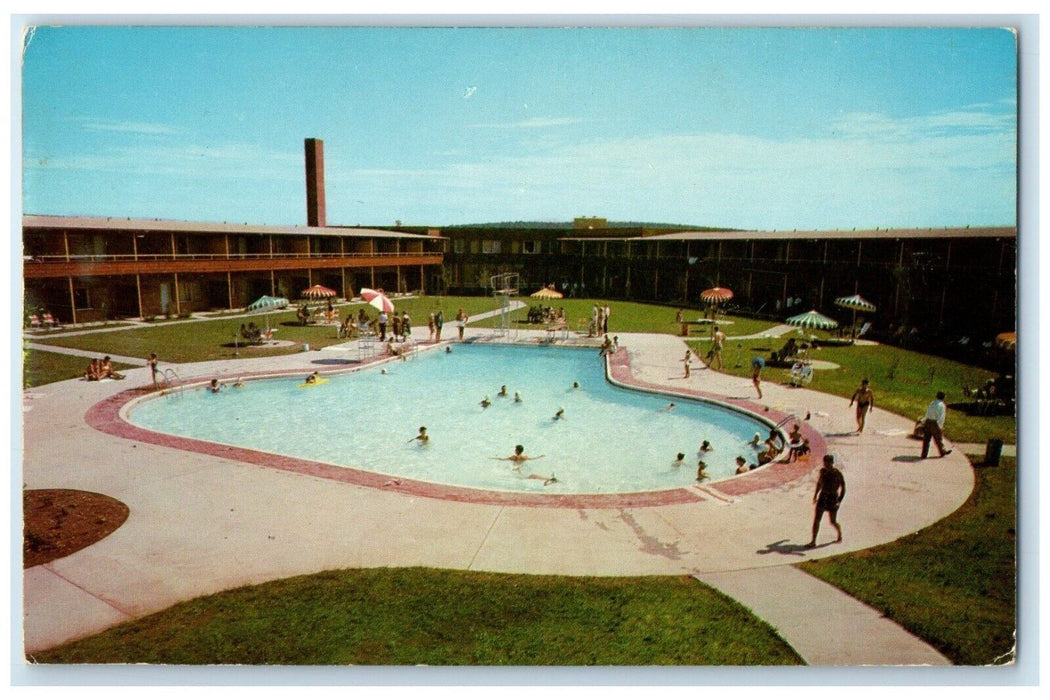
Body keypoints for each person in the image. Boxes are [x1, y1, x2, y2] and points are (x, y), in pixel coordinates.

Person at [807, 454, 846, 547]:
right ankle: (813, 541)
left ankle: (839, 534)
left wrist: (839, 500)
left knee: (833, 521)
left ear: (832, 463)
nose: (826, 464)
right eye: (825, 462)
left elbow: (843, 487)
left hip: (833, 498)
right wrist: (815, 495)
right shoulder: (823, 472)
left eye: (829, 462)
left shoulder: (837, 473)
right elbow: (819, 483)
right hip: (823, 497)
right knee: (817, 520)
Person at [491, 445, 556, 485]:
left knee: (532, 476)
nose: (514, 450)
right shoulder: (524, 457)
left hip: (519, 473)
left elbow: (502, 459)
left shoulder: (514, 457)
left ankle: (550, 479)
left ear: (517, 450)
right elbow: (533, 458)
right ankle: (550, 479)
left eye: (515, 449)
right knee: (534, 476)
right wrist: (540, 456)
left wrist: (493, 458)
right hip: (524, 472)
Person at [920, 391, 953, 458]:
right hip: (935, 423)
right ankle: (942, 451)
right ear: (943, 397)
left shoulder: (932, 403)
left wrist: (925, 421)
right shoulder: (942, 405)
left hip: (928, 421)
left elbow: (927, 412)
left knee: (926, 439)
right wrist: (940, 426)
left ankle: (924, 454)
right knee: (938, 439)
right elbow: (941, 417)